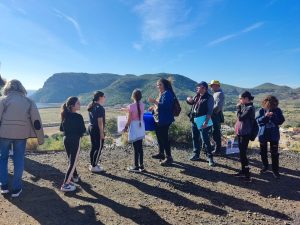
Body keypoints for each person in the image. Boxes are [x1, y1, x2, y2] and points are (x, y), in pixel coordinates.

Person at [0, 79, 44, 197]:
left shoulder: (3, 100)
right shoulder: (29, 101)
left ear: (7, 88)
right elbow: (37, 122)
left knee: (2, 158)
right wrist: (40, 138)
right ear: (21, 88)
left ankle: (3, 186)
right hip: (21, 135)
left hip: (4, 134)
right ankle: (16, 189)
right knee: (18, 159)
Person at [60, 97, 86, 192]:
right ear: (72, 105)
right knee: (73, 161)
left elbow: (61, 129)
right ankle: (65, 184)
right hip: (75, 139)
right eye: (78, 103)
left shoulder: (65, 115)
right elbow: (83, 130)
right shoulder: (78, 117)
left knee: (71, 159)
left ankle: (74, 176)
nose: (80, 104)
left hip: (66, 139)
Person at [186, 81, 216, 166]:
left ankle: (210, 158)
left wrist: (206, 122)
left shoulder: (209, 98)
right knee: (195, 137)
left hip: (203, 121)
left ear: (204, 88)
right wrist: (188, 99)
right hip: (194, 120)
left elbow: (210, 111)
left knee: (205, 140)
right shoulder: (197, 96)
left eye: (199, 87)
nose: (197, 88)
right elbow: (192, 103)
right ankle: (196, 154)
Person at [256, 95, 285, 179]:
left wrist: (273, 116)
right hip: (263, 135)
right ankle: (265, 167)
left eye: (273, 105)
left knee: (274, 153)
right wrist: (265, 116)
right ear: (265, 103)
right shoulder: (261, 110)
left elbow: (281, 121)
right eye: (269, 104)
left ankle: (275, 170)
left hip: (274, 135)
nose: (271, 106)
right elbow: (258, 121)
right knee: (263, 152)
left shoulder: (277, 110)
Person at [148, 78, 175, 166]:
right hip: (158, 119)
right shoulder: (161, 93)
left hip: (164, 120)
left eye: (160, 85)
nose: (158, 86)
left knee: (164, 138)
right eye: (157, 85)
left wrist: (154, 101)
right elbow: (159, 106)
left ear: (164, 85)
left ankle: (169, 157)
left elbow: (165, 106)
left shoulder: (168, 94)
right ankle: (161, 153)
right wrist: (153, 107)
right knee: (159, 137)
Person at [234, 91, 255, 182]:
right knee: (241, 153)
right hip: (241, 133)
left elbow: (241, 118)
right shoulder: (245, 107)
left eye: (241, 98)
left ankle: (247, 175)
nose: (240, 100)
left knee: (243, 154)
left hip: (245, 134)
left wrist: (238, 108)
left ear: (246, 98)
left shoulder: (250, 108)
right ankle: (243, 171)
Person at [123, 89, 145, 172]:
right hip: (141, 126)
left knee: (135, 148)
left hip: (134, 127)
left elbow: (129, 120)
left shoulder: (130, 106)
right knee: (140, 147)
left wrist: (125, 127)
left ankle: (136, 166)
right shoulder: (142, 105)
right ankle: (141, 166)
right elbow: (137, 110)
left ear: (133, 96)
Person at [87, 91, 106, 172]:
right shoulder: (100, 108)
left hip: (91, 127)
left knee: (94, 146)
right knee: (98, 147)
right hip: (97, 129)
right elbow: (100, 121)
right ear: (100, 97)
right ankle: (94, 166)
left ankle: (93, 164)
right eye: (104, 96)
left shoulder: (92, 105)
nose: (105, 98)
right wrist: (101, 133)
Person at [209, 80, 225, 155]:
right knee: (213, 131)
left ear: (217, 86)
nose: (211, 87)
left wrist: (209, 112)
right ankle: (215, 147)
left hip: (215, 115)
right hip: (213, 115)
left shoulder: (219, 94)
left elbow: (218, 107)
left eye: (213, 85)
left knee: (216, 132)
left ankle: (217, 150)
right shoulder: (216, 93)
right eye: (211, 86)